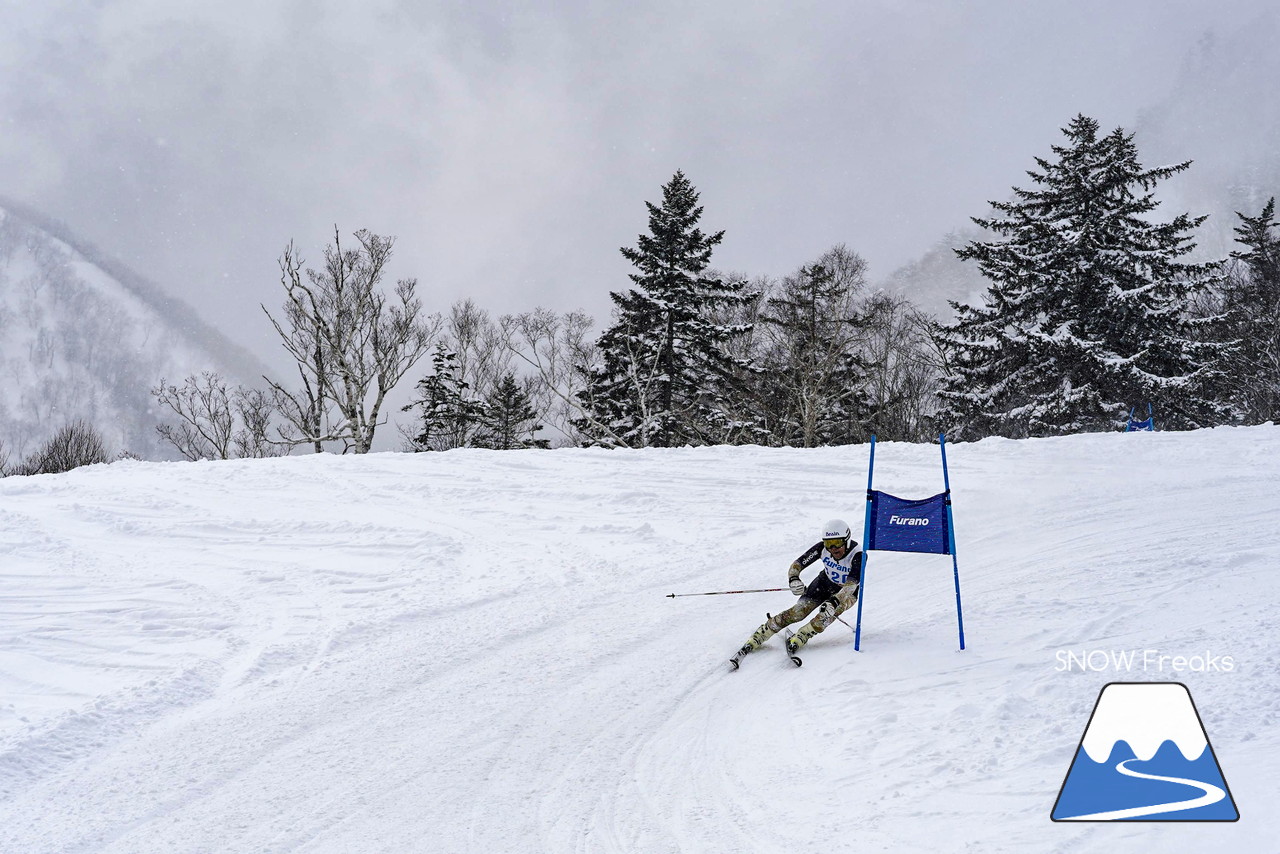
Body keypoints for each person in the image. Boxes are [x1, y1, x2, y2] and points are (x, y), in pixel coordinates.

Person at [729, 518, 864, 669]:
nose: (833, 548)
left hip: (846, 594)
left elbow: (851, 586)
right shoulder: (822, 548)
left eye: (837, 543)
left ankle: (803, 635)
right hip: (823, 583)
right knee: (798, 612)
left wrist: (835, 601)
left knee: (824, 617)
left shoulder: (858, 555)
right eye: (828, 543)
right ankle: (763, 632)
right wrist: (794, 579)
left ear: (846, 539)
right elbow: (797, 564)